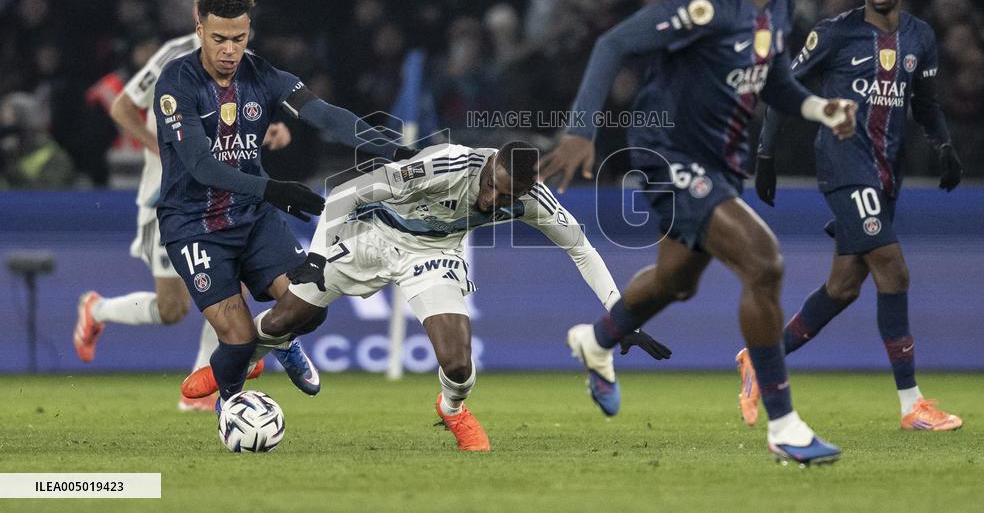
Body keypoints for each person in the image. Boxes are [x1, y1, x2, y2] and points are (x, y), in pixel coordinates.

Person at [539, 0, 857, 466]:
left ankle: (596, 341)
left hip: (718, 157)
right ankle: (784, 425)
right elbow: (613, 42)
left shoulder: (777, 6)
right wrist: (580, 130)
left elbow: (774, 81)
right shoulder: (709, 7)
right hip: (668, 150)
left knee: (675, 281)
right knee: (764, 263)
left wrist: (819, 107)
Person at [181, 141, 671, 451]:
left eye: (507, 199)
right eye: (494, 189)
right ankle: (248, 358)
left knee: (457, 362)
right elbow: (348, 193)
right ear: (490, 167)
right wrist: (316, 254)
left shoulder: (533, 200)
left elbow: (582, 249)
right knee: (287, 317)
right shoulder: (445, 164)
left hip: (432, 254)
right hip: (374, 234)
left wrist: (619, 315)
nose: (494, 202)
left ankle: (453, 411)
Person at [76, 0, 405, 407]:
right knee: (233, 334)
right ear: (199, 30)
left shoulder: (261, 74)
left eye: (239, 38)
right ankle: (232, 410)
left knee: (311, 303)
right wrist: (275, 189)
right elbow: (200, 166)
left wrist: (395, 148)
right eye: (219, 39)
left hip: (251, 216)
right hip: (193, 223)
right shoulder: (176, 80)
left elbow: (325, 116)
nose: (230, 49)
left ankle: (279, 341)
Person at [740, 0, 963, 432]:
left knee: (842, 288)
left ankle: (761, 359)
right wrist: (765, 156)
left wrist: (943, 145)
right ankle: (912, 405)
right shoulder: (835, 32)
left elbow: (924, 102)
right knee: (894, 271)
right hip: (843, 163)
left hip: (885, 172)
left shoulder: (920, 37)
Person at [73, 0, 291, 412]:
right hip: (168, 197)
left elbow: (230, 118)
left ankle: (203, 391)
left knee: (237, 290)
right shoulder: (173, 58)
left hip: (224, 200)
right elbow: (121, 107)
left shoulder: (241, 62)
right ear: (200, 24)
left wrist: (267, 126)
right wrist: (160, 148)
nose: (229, 42)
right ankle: (96, 310)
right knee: (171, 308)